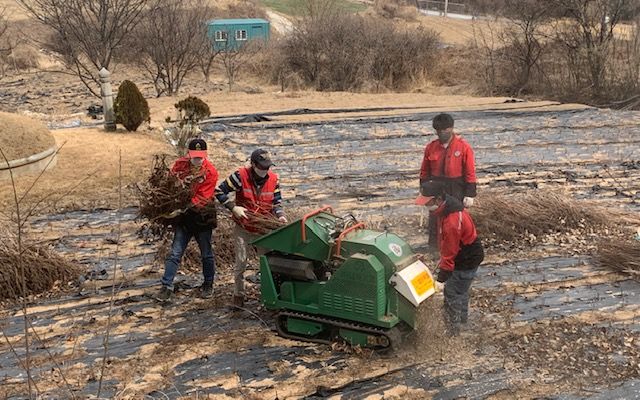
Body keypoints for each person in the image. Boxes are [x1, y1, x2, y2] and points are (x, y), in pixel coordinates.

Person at [215, 149, 286, 307]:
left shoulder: (273, 179)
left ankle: (269, 297)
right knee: (241, 262)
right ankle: (238, 297)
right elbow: (219, 191)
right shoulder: (240, 176)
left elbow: (277, 202)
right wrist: (233, 207)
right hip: (244, 226)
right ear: (253, 164)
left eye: (267, 167)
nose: (265, 171)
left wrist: (280, 215)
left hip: (263, 227)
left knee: (267, 264)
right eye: (261, 167)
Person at [416, 181, 484, 335]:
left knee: (452, 293)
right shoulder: (447, 208)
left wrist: (441, 279)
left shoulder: (452, 221)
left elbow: (450, 252)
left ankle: (452, 332)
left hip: (466, 258)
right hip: (466, 253)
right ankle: (462, 321)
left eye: (428, 203)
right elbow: (446, 243)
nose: (426, 206)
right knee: (462, 289)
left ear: (438, 199)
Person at [155, 138, 219, 302]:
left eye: (200, 156)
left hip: (203, 216)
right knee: (175, 252)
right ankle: (166, 286)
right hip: (184, 219)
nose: (197, 159)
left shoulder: (211, 172)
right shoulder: (180, 165)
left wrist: (181, 206)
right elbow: (169, 183)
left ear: (205, 155)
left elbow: (203, 198)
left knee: (206, 253)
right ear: (188, 153)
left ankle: (208, 284)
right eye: (194, 155)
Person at [420, 113, 477, 248]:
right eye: (439, 131)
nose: (442, 133)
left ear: (451, 128)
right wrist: (424, 192)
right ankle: (434, 248)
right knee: (435, 219)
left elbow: (470, 171)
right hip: (436, 187)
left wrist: (470, 194)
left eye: (445, 130)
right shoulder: (431, 147)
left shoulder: (463, 147)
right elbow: (424, 171)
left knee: (454, 219)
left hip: (456, 188)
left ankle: (456, 247)